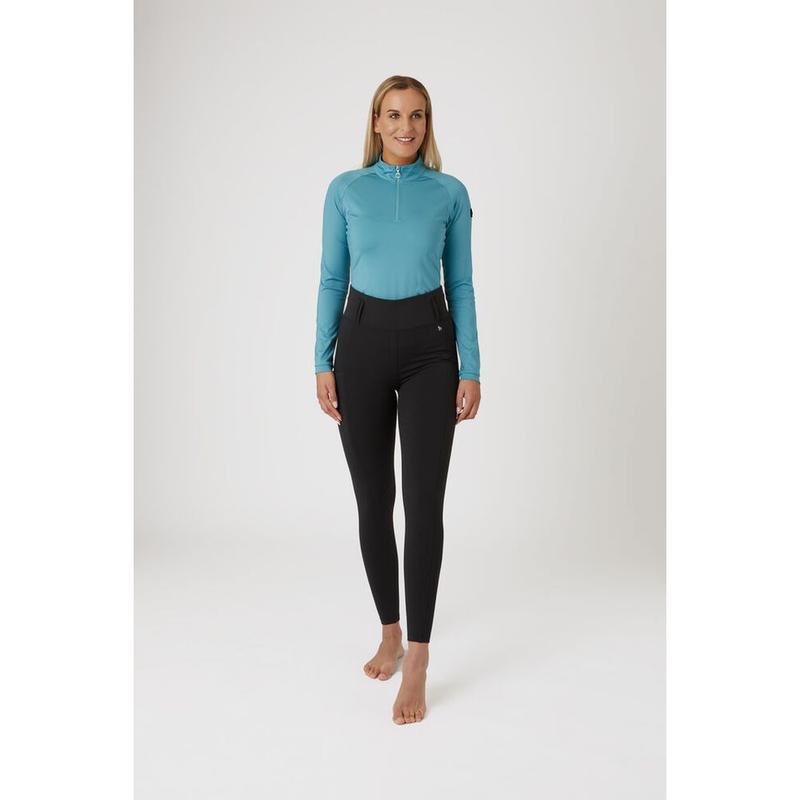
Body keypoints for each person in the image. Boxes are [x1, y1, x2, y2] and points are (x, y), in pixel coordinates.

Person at [314, 75, 482, 725]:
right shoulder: (345, 190)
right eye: (393, 115)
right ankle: (390, 630)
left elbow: (461, 283)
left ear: (427, 123)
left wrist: (471, 367)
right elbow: (332, 276)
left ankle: (418, 656)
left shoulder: (450, 193)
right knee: (373, 499)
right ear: (376, 123)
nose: (405, 126)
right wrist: (321, 360)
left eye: (416, 115)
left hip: (429, 351)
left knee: (423, 502)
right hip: (358, 346)